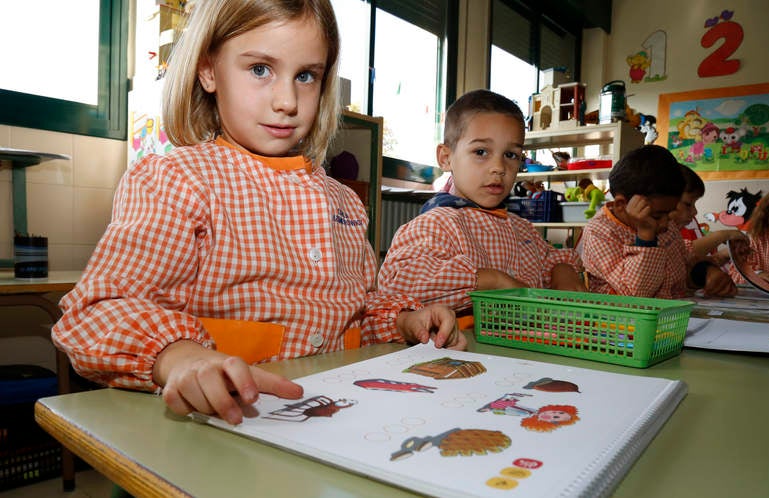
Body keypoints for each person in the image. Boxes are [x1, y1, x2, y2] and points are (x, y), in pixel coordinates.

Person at [51, 0, 465, 426]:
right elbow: (95, 313)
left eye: (306, 76)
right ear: (209, 70)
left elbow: (356, 310)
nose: (287, 100)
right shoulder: (178, 181)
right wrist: (179, 358)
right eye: (260, 69)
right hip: (216, 438)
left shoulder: (345, 202)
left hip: (336, 423)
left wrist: (404, 319)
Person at [378, 89, 585, 317]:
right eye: (481, 151)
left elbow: (549, 258)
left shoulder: (521, 228)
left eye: (511, 155)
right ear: (446, 158)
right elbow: (399, 283)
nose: (498, 167)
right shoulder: (436, 224)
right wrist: (491, 281)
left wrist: (563, 271)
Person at [580, 145, 737, 298]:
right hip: (624, 322)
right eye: (657, 217)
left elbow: (678, 273)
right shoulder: (599, 232)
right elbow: (637, 293)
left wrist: (705, 275)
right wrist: (646, 236)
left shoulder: (665, 223)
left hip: (671, 316)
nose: (665, 224)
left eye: (670, 214)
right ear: (622, 205)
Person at [671, 163, 745, 264]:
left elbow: (687, 261)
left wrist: (720, 256)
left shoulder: (678, 227)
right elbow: (681, 253)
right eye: (688, 204)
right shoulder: (659, 236)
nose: (695, 212)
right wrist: (722, 235)